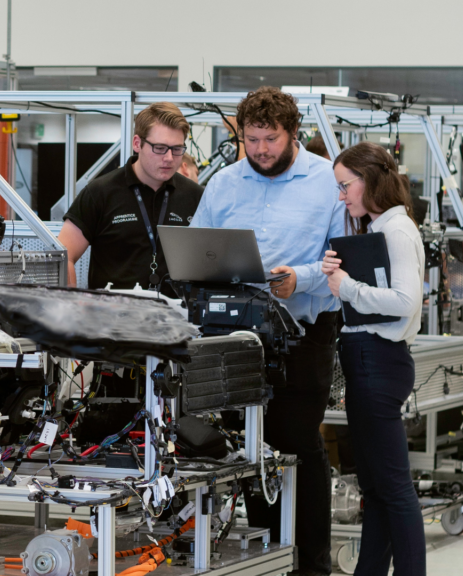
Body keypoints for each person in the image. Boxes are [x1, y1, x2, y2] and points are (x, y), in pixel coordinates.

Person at [189, 86, 344, 575]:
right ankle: (266, 558)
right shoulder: (224, 183)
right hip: (237, 337)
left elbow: (342, 256)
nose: (260, 149)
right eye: (252, 139)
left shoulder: (326, 181)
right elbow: (196, 248)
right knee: (251, 450)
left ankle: (310, 563)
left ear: (293, 133)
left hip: (304, 332)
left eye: (270, 139)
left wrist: (303, 277)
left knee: (297, 442)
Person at [322, 141, 425, 576]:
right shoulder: (379, 229)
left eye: (346, 185)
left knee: (394, 488)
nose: (342, 196)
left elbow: (405, 300)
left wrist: (346, 286)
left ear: (370, 180)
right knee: (378, 488)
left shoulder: (397, 231)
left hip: (378, 360)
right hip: (370, 358)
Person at [59, 102, 203, 294]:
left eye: (177, 149)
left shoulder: (195, 196)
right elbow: (64, 254)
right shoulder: (100, 192)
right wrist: (70, 304)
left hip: (177, 315)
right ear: (137, 144)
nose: (169, 158)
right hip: (113, 317)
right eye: (160, 148)